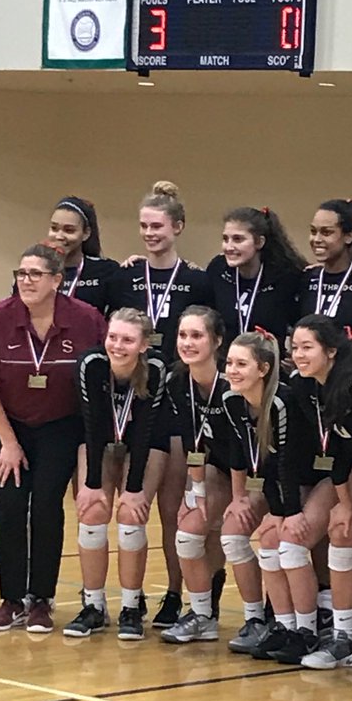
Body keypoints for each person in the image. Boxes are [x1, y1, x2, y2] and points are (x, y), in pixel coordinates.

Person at [0, 243, 107, 632]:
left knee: (47, 504)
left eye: (35, 274)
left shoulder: (85, 320)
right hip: (9, 424)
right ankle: (11, 599)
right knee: (11, 504)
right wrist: (9, 443)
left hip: (61, 425)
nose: (26, 281)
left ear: (57, 280)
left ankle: (41, 599)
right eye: (21, 273)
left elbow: (100, 376)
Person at [260, 315, 352, 669]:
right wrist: (285, 506)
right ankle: (316, 625)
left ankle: (348, 632)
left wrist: (349, 502)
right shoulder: (301, 385)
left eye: (307, 347)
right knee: (292, 538)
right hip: (337, 468)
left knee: (345, 534)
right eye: (294, 348)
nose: (299, 354)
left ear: (331, 350)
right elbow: (296, 448)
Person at [119, 180, 215, 629]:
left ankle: (176, 594)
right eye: (143, 226)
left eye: (157, 225)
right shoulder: (126, 276)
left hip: (178, 404)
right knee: (134, 501)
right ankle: (127, 598)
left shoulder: (197, 280)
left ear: (177, 227)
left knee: (174, 508)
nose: (150, 233)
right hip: (137, 404)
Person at [64, 309, 169, 641]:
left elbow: (145, 430)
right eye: (113, 337)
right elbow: (93, 425)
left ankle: (131, 605)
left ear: (143, 345)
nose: (118, 346)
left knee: (130, 516)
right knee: (93, 512)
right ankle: (93, 606)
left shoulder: (155, 368)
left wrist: (134, 488)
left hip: (145, 444)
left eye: (128, 340)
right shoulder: (90, 364)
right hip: (100, 443)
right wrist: (92, 484)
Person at [219, 330, 301, 655]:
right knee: (232, 534)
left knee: (276, 540)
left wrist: (281, 512)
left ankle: (294, 624)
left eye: (241, 364)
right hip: (267, 483)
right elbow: (238, 453)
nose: (233, 370)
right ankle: (255, 619)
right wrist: (238, 497)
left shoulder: (282, 401)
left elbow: (287, 463)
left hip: (300, 483)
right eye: (229, 363)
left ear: (264, 369)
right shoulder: (231, 399)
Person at [160, 307, 232, 644]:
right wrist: (197, 488)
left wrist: (243, 496)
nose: (187, 343)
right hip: (214, 467)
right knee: (189, 533)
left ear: (217, 341)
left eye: (197, 335)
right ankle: (203, 615)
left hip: (259, 473)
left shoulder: (234, 381)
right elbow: (192, 440)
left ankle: (270, 617)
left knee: (241, 536)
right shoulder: (177, 380)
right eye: (183, 335)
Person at [206, 206, 307, 351]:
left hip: (267, 367)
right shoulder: (218, 269)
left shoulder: (286, 276)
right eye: (225, 239)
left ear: (259, 242)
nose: (229, 247)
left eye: (238, 239)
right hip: (226, 365)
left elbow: (299, 324)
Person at [299, 199, 352, 357]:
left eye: (326, 232)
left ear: (348, 236)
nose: (316, 239)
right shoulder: (306, 279)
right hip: (311, 375)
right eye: (313, 231)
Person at [46, 196, 122, 318]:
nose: (59, 236)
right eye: (54, 228)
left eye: (69, 230)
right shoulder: (36, 270)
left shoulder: (106, 271)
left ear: (86, 233)